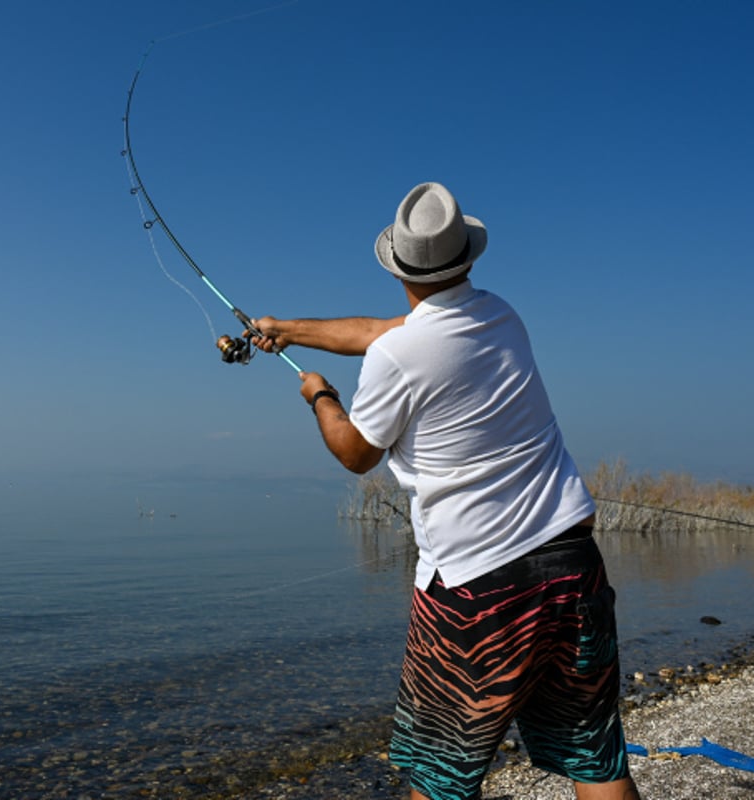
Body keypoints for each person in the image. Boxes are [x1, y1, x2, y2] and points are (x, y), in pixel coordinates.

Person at [248, 183, 640, 800]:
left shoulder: (397, 357)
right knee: (596, 756)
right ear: (467, 259)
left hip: (478, 588)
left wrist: (321, 396)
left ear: (398, 266)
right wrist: (288, 329)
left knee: (441, 775)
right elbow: (380, 330)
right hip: (573, 569)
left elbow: (356, 453)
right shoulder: (501, 314)